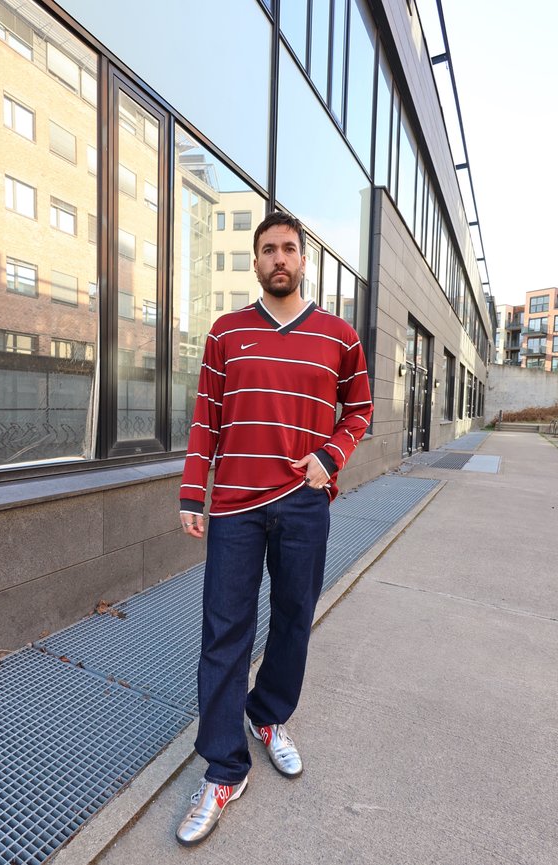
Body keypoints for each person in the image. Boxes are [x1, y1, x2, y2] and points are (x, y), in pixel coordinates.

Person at [176, 211, 373, 846]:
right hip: (234, 506)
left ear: (303, 260)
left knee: (293, 618)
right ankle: (224, 769)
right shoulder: (226, 332)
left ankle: (268, 715)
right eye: (268, 249)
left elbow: (360, 408)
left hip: (303, 503)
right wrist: (193, 490)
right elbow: (206, 416)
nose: (279, 258)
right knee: (223, 633)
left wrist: (330, 457)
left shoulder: (339, 337)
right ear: (256, 260)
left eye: (289, 248)